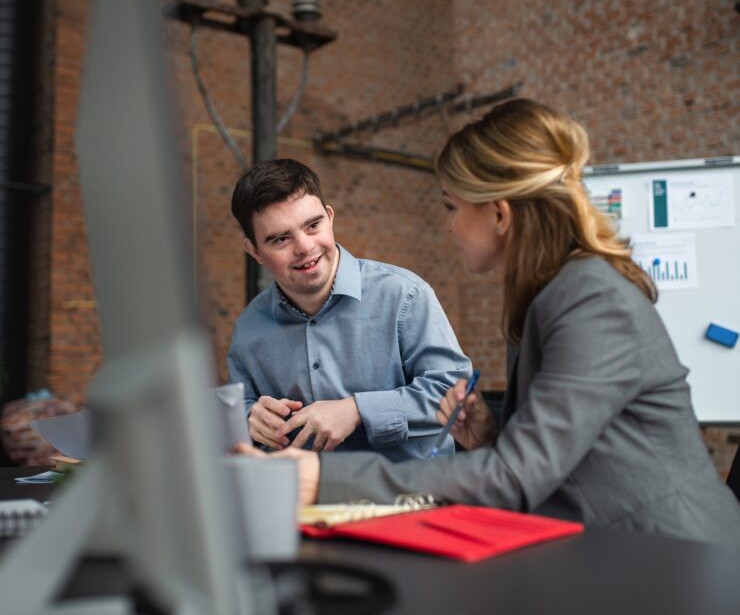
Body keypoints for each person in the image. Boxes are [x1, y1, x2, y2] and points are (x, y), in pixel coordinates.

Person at [236, 99, 740, 543]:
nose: (450, 225)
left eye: (453, 207)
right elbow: (558, 456)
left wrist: (322, 481)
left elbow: (517, 478)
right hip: (614, 551)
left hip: (677, 558)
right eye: (280, 239)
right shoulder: (547, 294)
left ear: (499, 215)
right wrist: (491, 436)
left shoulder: (590, 298)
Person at [227, 158, 472, 462]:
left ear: (330, 218)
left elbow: (454, 395)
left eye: (313, 225)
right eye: (280, 239)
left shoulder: (403, 295)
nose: (304, 247)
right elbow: (239, 410)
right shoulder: (249, 328)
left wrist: (357, 410)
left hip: (410, 496)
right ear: (254, 251)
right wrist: (249, 417)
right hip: (306, 504)